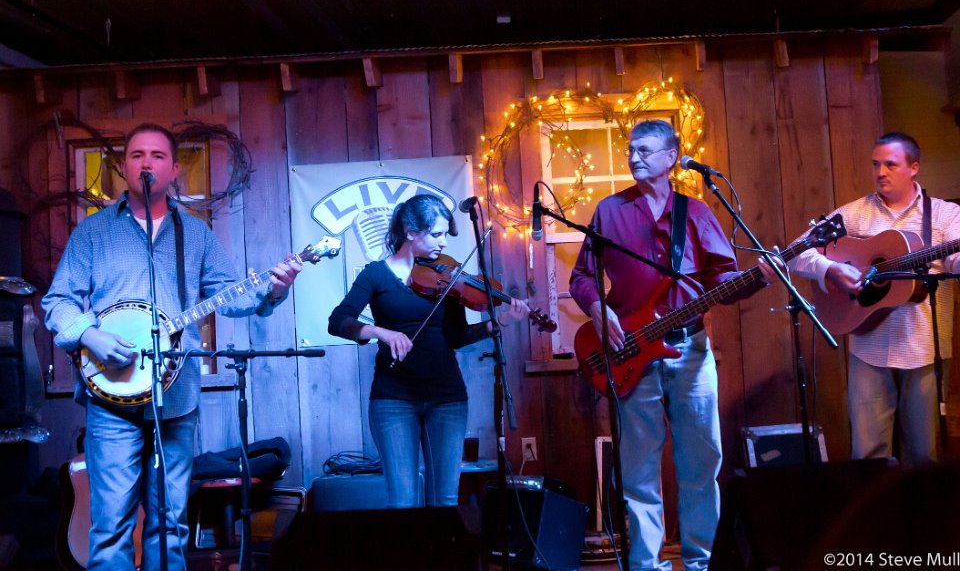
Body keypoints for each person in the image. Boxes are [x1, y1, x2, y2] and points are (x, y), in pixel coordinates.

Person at [42, 123, 301, 571]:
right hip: (110, 400)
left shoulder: (195, 234)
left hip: (175, 399)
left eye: (158, 156)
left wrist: (274, 290)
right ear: (123, 167)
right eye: (137, 154)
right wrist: (90, 334)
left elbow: (228, 295)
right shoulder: (93, 232)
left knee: (170, 525)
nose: (147, 163)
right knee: (110, 527)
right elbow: (58, 301)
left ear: (174, 169)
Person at [569, 119, 775, 571]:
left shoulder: (695, 212)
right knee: (639, 469)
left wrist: (757, 279)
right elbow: (581, 276)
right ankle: (647, 565)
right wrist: (598, 309)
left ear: (670, 157)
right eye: (630, 149)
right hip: (630, 351)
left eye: (644, 150)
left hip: (691, 350)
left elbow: (722, 281)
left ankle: (702, 562)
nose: (634, 157)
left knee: (701, 463)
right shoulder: (609, 211)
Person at [328, 194, 528, 507]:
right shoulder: (375, 275)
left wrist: (500, 321)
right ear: (410, 232)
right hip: (393, 399)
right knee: (403, 501)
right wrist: (379, 332)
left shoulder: (448, 277)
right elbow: (338, 321)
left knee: (445, 500)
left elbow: (455, 337)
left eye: (445, 234)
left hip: (447, 397)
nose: (443, 243)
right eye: (436, 234)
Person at [791, 132, 960, 466]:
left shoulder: (944, 214)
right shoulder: (855, 214)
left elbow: (955, 260)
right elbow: (797, 251)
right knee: (867, 456)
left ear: (914, 167)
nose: (880, 172)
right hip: (869, 349)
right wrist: (830, 270)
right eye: (875, 164)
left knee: (922, 456)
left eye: (890, 165)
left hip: (925, 350)